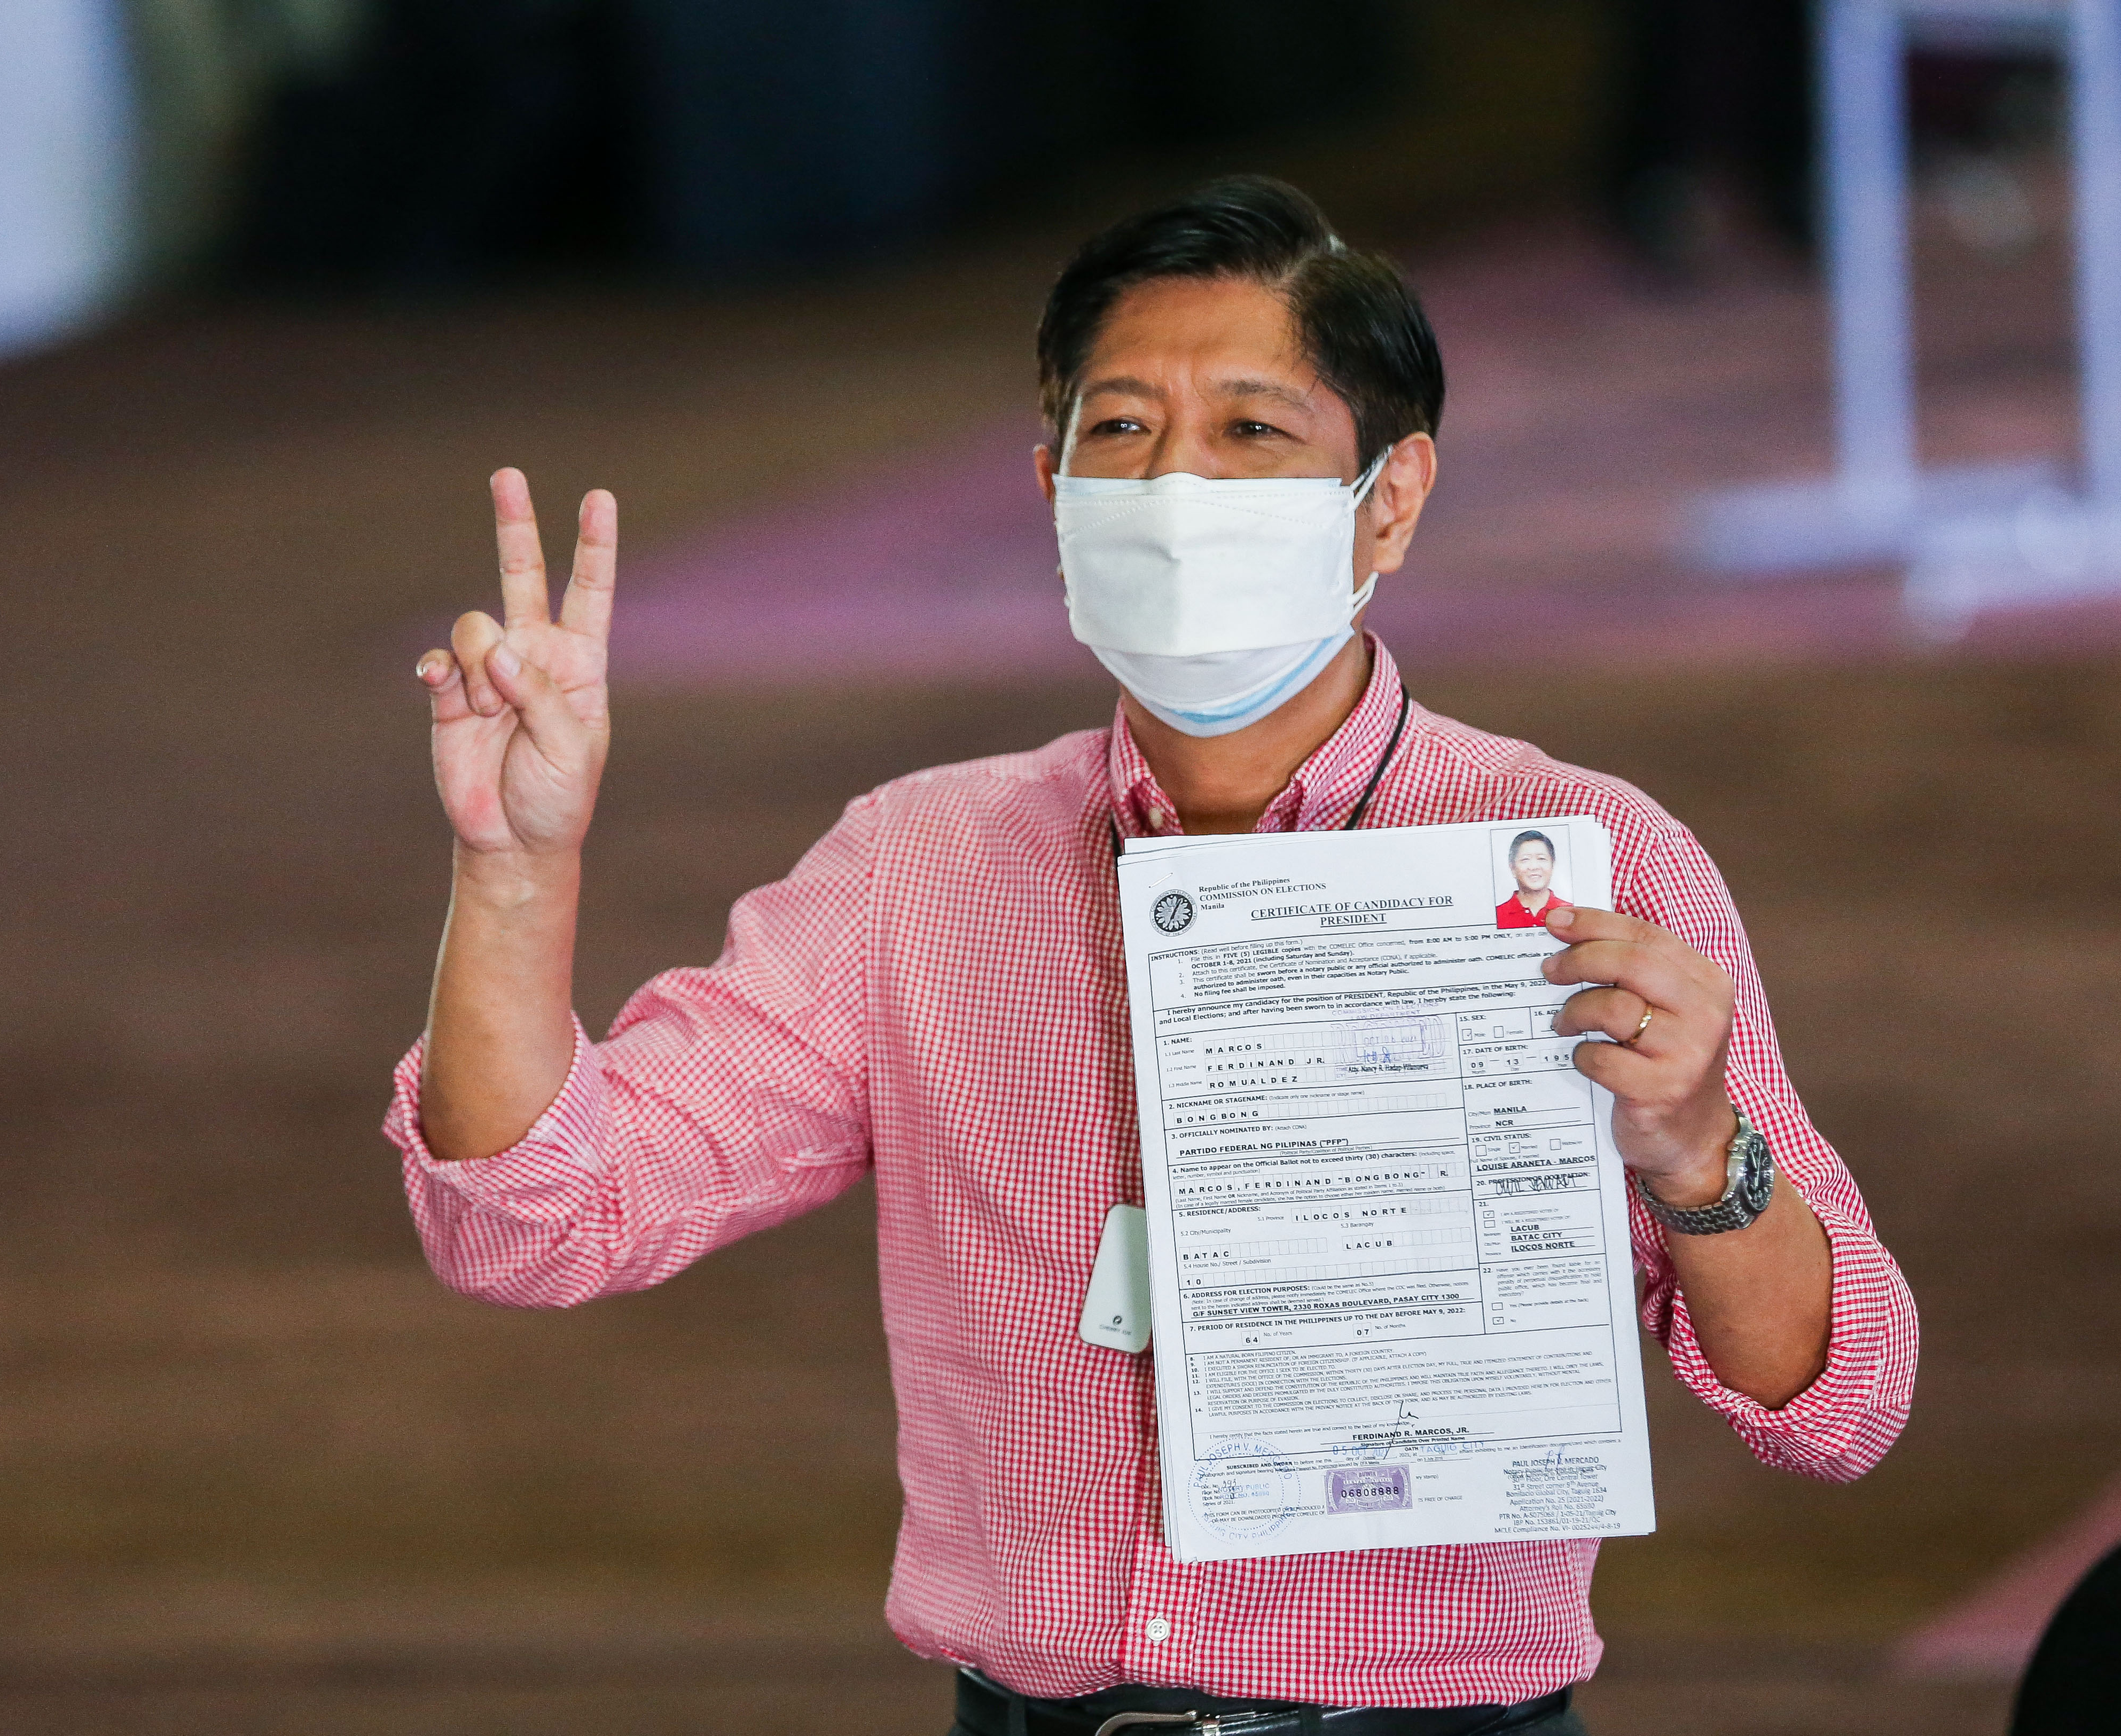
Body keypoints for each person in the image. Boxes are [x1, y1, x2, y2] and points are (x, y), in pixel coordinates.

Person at [392, 176, 1916, 1736]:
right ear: (1050, 481)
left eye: (1250, 432)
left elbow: (1841, 1406)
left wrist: (1695, 1153)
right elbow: (538, 1222)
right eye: (1118, 432)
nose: (1175, 482)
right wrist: (514, 870)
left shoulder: (1574, 852)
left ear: (1387, 498)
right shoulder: (914, 868)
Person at [1496, 828, 1573, 929]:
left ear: (1553, 865)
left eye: (1541, 859)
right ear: (1513, 868)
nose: (1534, 867)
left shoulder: (1571, 911)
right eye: (1525, 859)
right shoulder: (1496, 916)